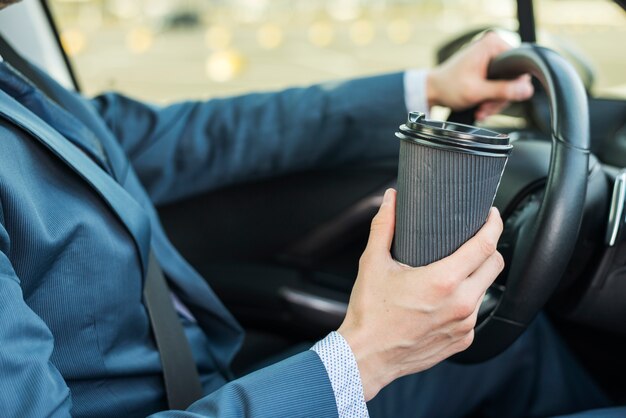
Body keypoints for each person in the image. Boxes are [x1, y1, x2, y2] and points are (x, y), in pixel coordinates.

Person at [0, 1, 621, 416]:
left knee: (516, 347)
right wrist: (368, 353)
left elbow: (182, 137)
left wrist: (428, 87)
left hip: (212, 380)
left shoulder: (13, 69)